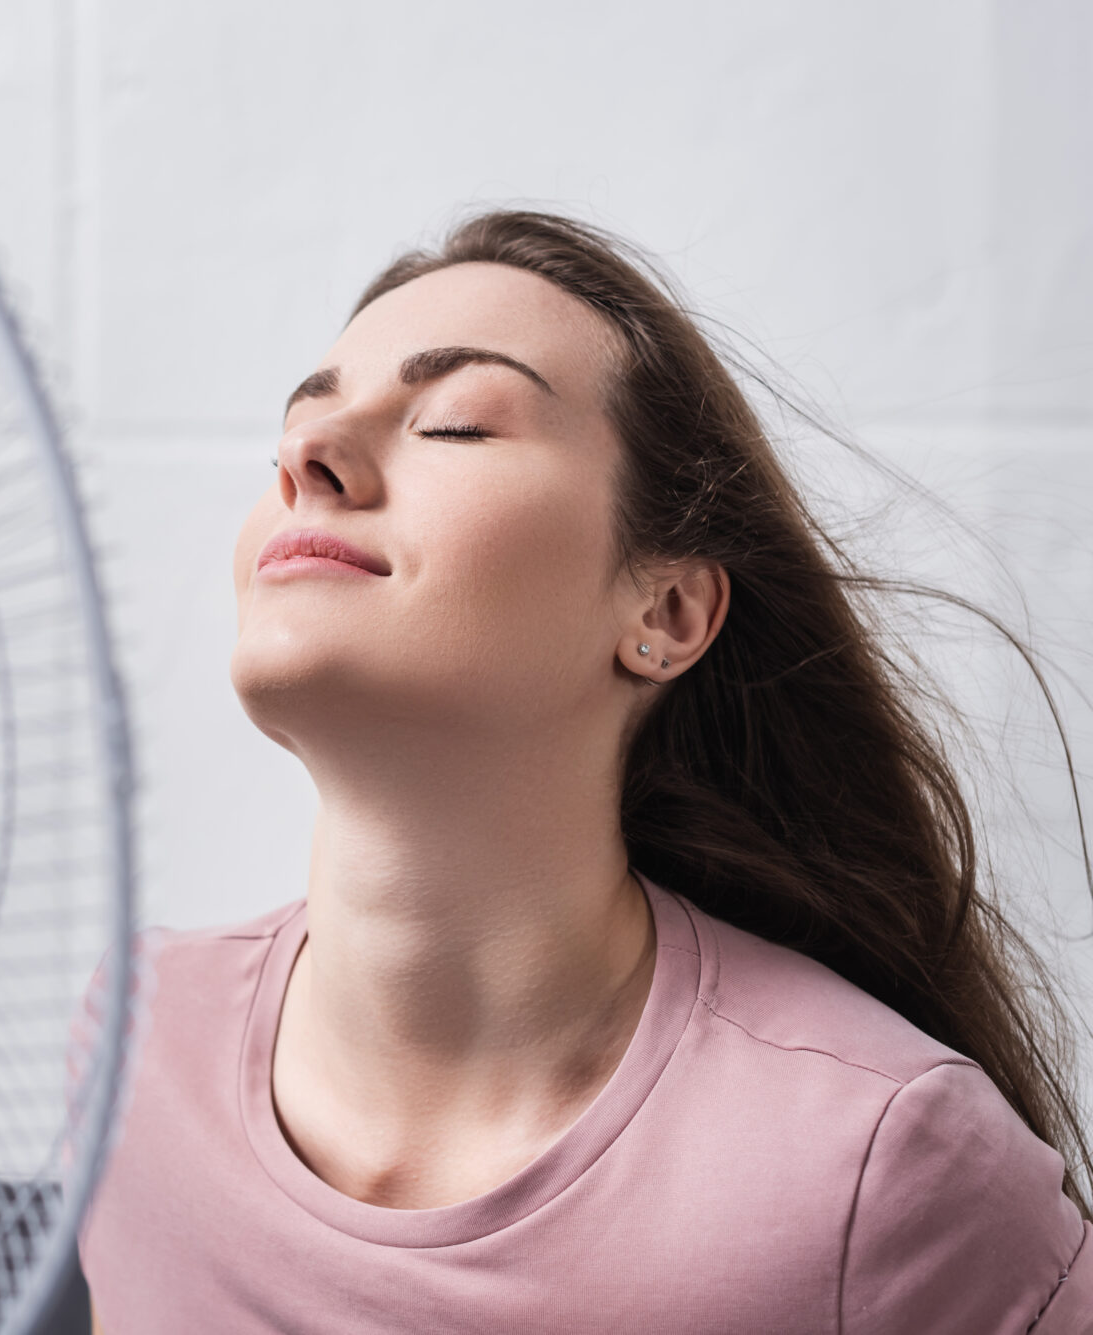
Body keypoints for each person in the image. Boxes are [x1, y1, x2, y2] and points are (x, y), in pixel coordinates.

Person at [75, 210, 1093, 1333]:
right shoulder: (133, 1049)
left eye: (456, 424)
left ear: (666, 611)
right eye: (290, 432)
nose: (306, 460)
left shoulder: (886, 1163)